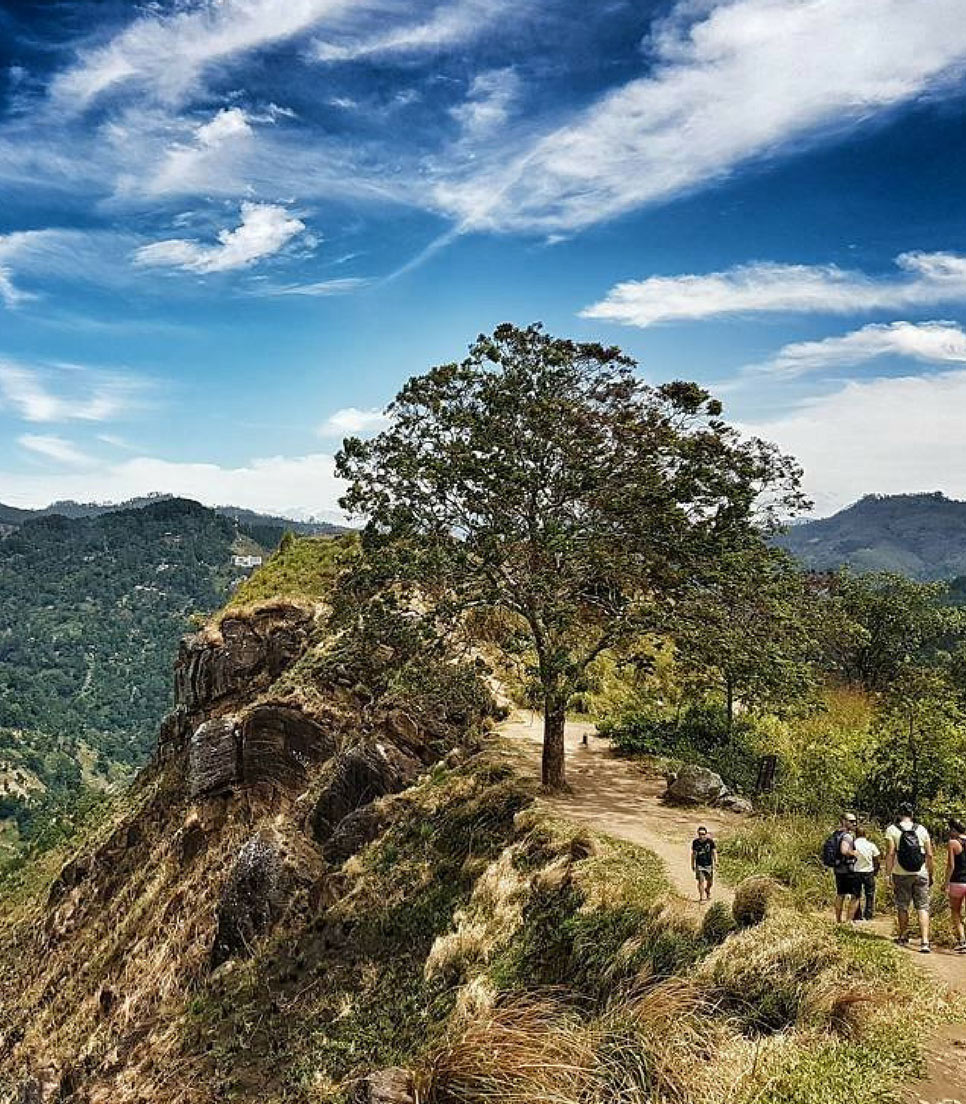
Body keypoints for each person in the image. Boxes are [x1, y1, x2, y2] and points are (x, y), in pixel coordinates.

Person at [885, 802, 934, 953]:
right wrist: (930, 873)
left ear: (899, 814)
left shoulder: (892, 830)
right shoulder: (922, 829)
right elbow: (929, 854)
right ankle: (925, 941)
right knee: (923, 907)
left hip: (901, 873)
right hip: (921, 873)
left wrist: (888, 874)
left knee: (903, 905)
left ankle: (902, 935)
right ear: (912, 815)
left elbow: (891, 853)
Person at [832, 812, 861, 923]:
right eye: (851, 821)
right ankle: (849, 921)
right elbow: (844, 851)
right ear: (844, 821)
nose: (854, 823)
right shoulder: (847, 836)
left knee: (840, 894)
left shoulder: (836, 834)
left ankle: (838, 920)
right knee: (856, 895)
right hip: (848, 869)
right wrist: (854, 853)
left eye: (855, 821)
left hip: (838, 868)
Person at [852, 825, 881, 921]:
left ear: (856, 834)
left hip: (855, 871)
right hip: (868, 872)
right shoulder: (871, 845)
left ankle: (857, 915)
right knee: (869, 894)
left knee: (856, 895)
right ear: (865, 834)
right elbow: (877, 859)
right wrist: (876, 871)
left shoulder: (852, 845)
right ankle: (868, 915)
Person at [946, 817, 966, 954]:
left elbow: (951, 866)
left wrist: (945, 883)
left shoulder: (953, 843)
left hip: (957, 881)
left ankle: (962, 940)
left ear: (953, 830)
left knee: (956, 911)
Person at [691, 825, 717, 902]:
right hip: (699, 864)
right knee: (701, 881)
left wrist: (716, 861)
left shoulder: (710, 842)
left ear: (706, 834)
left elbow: (714, 852)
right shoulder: (695, 842)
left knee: (710, 882)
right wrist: (692, 864)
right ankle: (702, 897)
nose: (701, 836)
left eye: (703, 834)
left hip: (709, 864)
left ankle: (707, 890)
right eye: (700, 834)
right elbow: (694, 854)